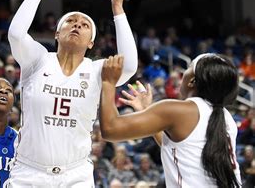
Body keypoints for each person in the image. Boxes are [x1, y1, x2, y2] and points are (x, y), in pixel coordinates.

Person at [6, 0, 138, 187]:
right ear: (56, 34)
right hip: (29, 172)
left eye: (85, 24)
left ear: (91, 43)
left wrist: (117, 8)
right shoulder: (37, 60)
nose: (77, 24)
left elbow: (129, 67)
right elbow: (15, 34)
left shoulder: (97, 69)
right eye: (70, 21)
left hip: (76, 175)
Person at [100, 53, 242, 187]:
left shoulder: (177, 110)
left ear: (192, 81)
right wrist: (146, 111)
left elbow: (110, 129)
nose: (183, 74)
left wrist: (108, 82)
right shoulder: (225, 116)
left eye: (188, 68)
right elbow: (179, 151)